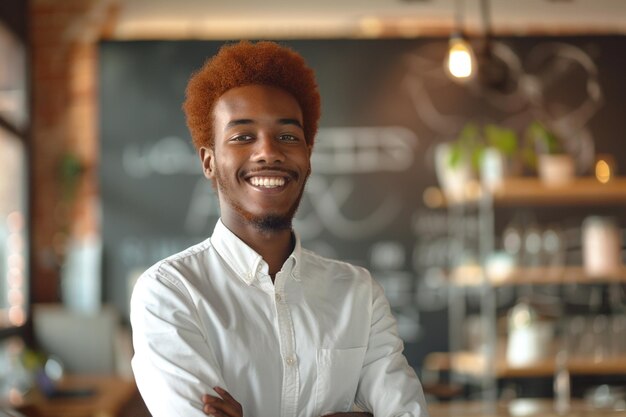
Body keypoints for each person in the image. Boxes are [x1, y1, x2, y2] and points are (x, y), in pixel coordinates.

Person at [130, 40, 428, 417]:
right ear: (208, 161)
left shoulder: (358, 295)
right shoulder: (171, 293)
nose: (268, 151)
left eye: (288, 136)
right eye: (242, 136)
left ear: (308, 156)